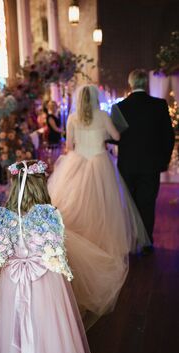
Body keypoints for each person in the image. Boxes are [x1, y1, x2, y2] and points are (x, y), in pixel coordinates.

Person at [0, 159, 95, 353]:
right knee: (47, 325)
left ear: (15, 186)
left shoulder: (4, 220)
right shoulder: (47, 217)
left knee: (17, 323)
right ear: (41, 186)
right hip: (44, 279)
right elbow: (57, 251)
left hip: (15, 280)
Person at [48, 85, 150, 329]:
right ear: (96, 98)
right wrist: (102, 132)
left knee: (74, 205)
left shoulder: (72, 117)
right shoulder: (103, 115)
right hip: (100, 162)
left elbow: (70, 145)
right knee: (105, 208)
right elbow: (116, 137)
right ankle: (104, 242)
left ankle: (82, 239)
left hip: (78, 163)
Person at [113, 69, 175, 252]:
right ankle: (147, 244)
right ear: (145, 84)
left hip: (127, 164)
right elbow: (168, 137)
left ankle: (131, 242)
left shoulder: (119, 107)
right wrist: (163, 160)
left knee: (129, 204)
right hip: (151, 165)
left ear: (130, 84)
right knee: (147, 204)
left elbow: (114, 137)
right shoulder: (159, 105)